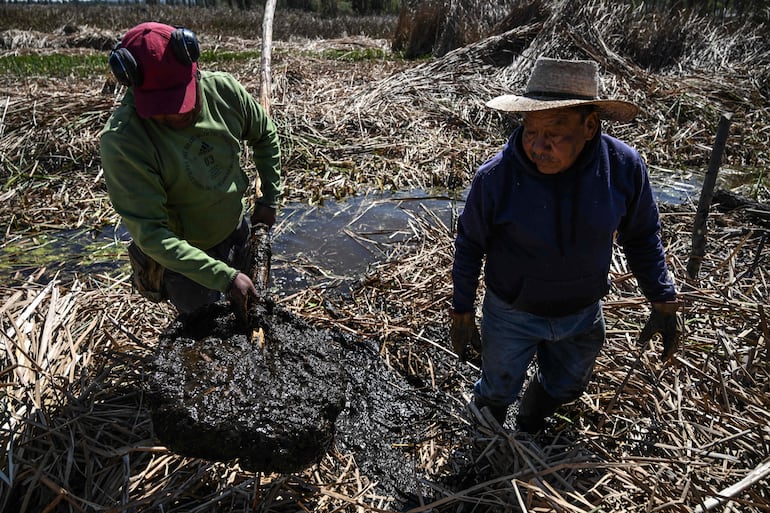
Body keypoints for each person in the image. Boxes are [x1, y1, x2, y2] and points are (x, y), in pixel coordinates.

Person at [449, 57, 683, 433]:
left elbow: (641, 236)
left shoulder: (623, 168)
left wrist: (663, 300)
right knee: (496, 389)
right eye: (530, 130)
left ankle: (530, 422)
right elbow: (470, 244)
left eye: (554, 132)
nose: (538, 146)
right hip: (512, 312)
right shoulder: (496, 178)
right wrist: (461, 310)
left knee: (567, 384)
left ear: (589, 126)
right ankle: (487, 447)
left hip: (581, 314)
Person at [100, 22, 281, 320]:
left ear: (194, 70)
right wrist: (222, 277)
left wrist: (269, 198)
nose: (176, 113)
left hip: (236, 231)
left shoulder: (224, 91)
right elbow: (152, 234)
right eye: (161, 106)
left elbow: (264, 135)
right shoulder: (124, 139)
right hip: (185, 263)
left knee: (252, 314)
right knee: (204, 336)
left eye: (180, 98)